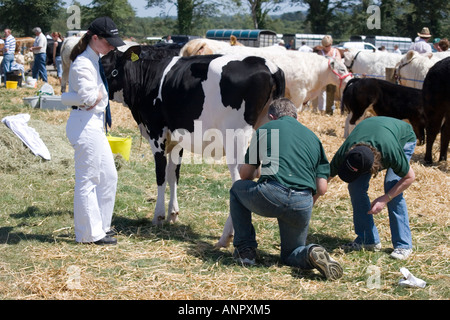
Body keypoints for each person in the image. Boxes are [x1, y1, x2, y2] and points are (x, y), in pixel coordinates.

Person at [230, 98, 343, 281]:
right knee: (291, 253)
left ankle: (246, 251)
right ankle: (311, 253)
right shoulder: (314, 138)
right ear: (296, 117)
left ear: (272, 117)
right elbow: (322, 188)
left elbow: (246, 176)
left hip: (271, 193)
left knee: (237, 189)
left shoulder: (265, 130)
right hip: (303, 201)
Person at [61, 17, 126, 245]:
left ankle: (101, 227)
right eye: (108, 41)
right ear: (95, 37)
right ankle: (88, 234)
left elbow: (89, 99)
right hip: (85, 124)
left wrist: (77, 98)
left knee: (109, 176)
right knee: (87, 180)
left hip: (94, 123)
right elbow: (90, 98)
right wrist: (100, 93)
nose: (111, 46)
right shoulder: (82, 63)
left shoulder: (95, 59)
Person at [329, 117, 417, 260]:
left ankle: (403, 245)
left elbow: (409, 178)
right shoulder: (346, 152)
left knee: (392, 185)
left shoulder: (391, 153)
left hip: (402, 139)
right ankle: (367, 239)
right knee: (355, 186)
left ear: (373, 167)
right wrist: (306, 206)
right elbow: (325, 179)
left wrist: (384, 199)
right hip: (374, 132)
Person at [316, 35, 341, 115]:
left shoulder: (335, 51)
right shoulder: (320, 53)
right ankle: (321, 110)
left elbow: (339, 62)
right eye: (326, 46)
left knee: (331, 92)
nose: (328, 47)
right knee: (321, 92)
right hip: (323, 75)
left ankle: (330, 111)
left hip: (332, 76)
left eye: (329, 45)